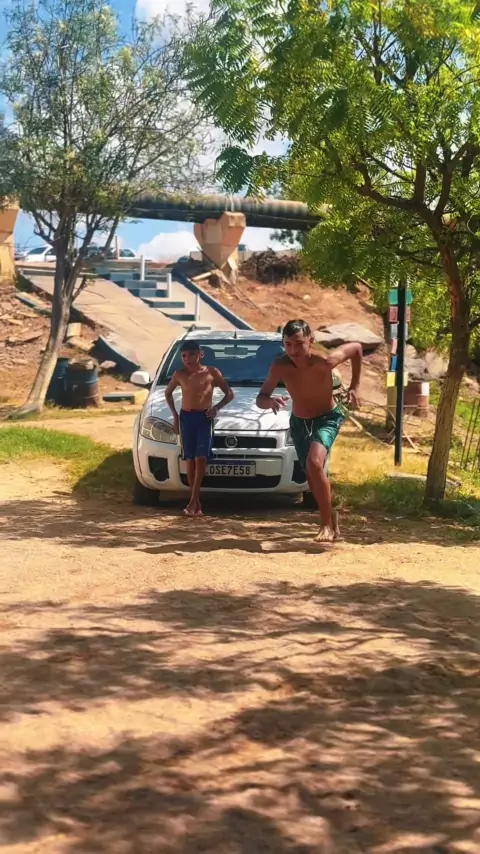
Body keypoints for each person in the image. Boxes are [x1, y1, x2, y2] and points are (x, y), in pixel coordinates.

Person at [256, 319, 362, 543]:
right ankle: (330, 515)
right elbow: (261, 398)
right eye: (288, 344)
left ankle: (325, 525)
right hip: (299, 422)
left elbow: (356, 348)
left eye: (299, 343)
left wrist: (355, 385)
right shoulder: (280, 366)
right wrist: (270, 401)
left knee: (315, 463)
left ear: (310, 341)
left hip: (327, 419)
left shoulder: (324, 361)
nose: (293, 350)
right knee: (311, 475)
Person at [165, 341, 234, 517]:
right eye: (184, 356)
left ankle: (193, 502)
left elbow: (229, 394)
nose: (187, 359)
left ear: (200, 354)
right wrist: (175, 416)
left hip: (204, 418)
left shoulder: (212, 372)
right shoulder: (179, 374)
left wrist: (216, 408)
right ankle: (195, 501)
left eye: (191, 354)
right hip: (186, 418)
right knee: (190, 459)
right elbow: (168, 393)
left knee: (200, 458)